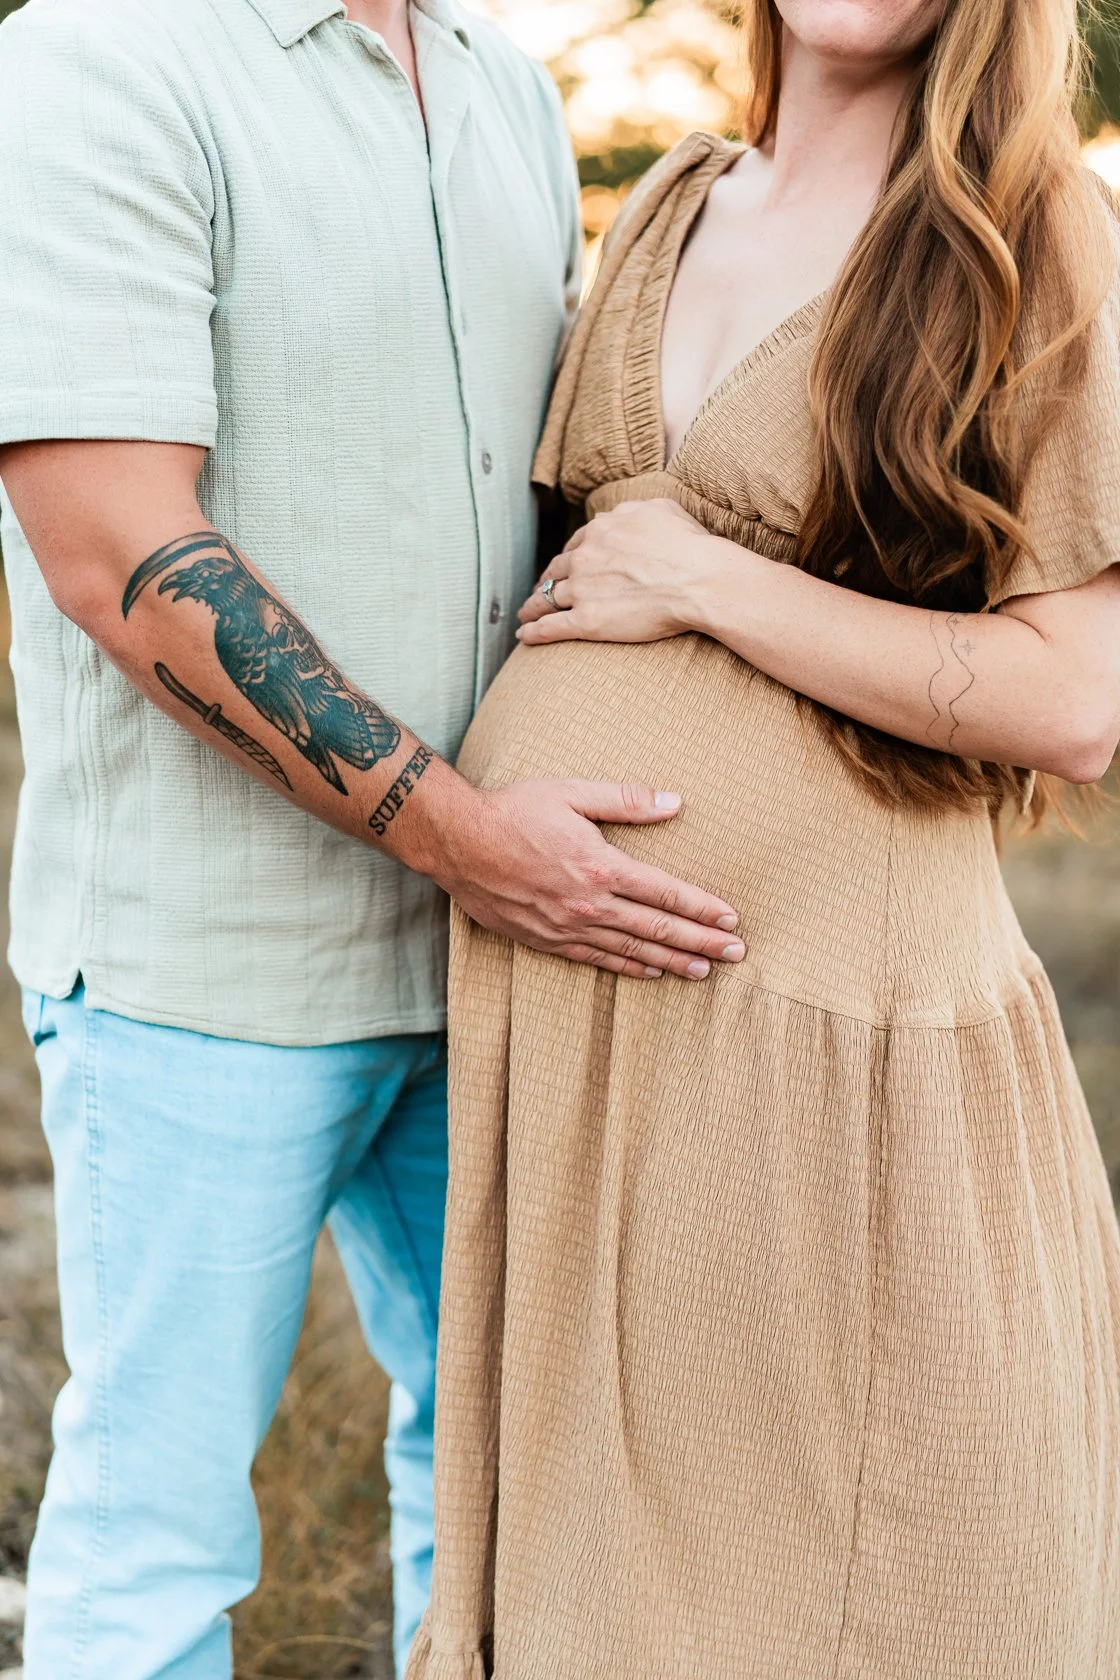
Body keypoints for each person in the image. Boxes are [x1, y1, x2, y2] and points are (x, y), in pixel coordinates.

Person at [0, 0, 749, 1673]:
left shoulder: (503, 91)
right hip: (206, 970)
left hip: (498, 959)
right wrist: (470, 834)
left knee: (498, 1491)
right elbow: (119, 552)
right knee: (156, 1541)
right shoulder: (97, 60)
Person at [407, 1, 1120, 1674]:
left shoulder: (1038, 236)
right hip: (589, 1030)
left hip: (830, 1038)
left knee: (865, 1574)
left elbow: (1075, 704)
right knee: (616, 1583)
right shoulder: (667, 198)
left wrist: (710, 579)